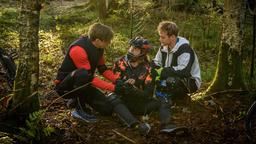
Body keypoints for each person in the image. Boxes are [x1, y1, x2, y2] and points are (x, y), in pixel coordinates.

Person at [53, 23, 150, 135]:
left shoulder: (99, 49)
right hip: (65, 87)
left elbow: (103, 69)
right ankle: (79, 109)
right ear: (98, 40)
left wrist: (117, 80)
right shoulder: (78, 49)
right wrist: (114, 88)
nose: (109, 43)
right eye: (107, 41)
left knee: (107, 109)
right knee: (82, 74)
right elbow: (89, 77)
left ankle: (75, 100)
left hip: (83, 84)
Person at [112, 36, 182, 133]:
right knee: (112, 98)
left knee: (163, 100)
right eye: (131, 47)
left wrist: (133, 89)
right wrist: (124, 85)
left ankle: (167, 125)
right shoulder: (119, 63)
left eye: (135, 49)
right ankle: (137, 126)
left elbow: (147, 94)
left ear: (143, 52)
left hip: (140, 103)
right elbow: (114, 84)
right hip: (123, 101)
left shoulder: (148, 68)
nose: (131, 50)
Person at [151, 21, 201, 133]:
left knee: (170, 81)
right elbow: (156, 62)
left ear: (172, 37)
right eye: (160, 36)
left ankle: (168, 115)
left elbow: (183, 70)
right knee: (155, 79)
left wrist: (162, 71)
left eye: (162, 37)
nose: (160, 40)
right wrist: (153, 69)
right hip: (171, 78)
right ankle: (168, 100)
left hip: (190, 81)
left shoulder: (185, 49)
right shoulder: (163, 47)